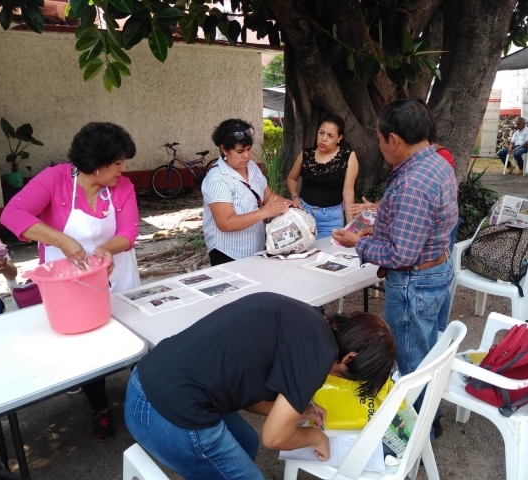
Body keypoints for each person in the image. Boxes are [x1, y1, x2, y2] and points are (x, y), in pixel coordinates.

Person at [125, 292, 396, 480]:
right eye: (345, 376)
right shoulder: (321, 353)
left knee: (246, 441)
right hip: (169, 415)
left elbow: (242, 388)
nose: (334, 378)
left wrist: (297, 412)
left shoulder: (305, 315)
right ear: (350, 357)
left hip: (145, 381)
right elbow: (275, 438)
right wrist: (316, 436)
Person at [1, 122, 141, 442]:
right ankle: (100, 408)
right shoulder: (56, 179)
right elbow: (14, 213)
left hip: (115, 271)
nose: (123, 168)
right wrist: (62, 240)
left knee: (132, 334)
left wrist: (106, 249)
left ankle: (147, 398)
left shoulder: (122, 187)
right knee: (87, 342)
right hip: (69, 280)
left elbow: (129, 233)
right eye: (118, 162)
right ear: (96, 164)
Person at [332, 100, 458, 435]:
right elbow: (423, 226)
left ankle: (419, 436)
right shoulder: (436, 162)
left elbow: (401, 255)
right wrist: (383, 226)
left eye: (379, 139)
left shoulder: (411, 183)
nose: (380, 146)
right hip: (434, 270)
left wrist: (356, 242)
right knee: (425, 352)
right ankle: (432, 416)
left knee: (409, 362)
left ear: (395, 140)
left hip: (413, 282)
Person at [202, 119, 291, 266]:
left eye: (249, 149)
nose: (247, 156)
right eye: (240, 151)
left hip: (254, 249)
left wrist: (289, 204)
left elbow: (268, 196)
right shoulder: (217, 179)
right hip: (228, 253)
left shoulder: (251, 167)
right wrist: (264, 213)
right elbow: (225, 223)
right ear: (224, 149)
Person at [287, 115, 359, 239]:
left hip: (330, 219)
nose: (323, 139)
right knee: (300, 256)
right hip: (304, 213)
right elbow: (292, 178)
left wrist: (351, 227)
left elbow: (348, 194)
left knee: (328, 255)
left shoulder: (347, 157)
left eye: (330, 136)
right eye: (321, 133)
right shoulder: (306, 154)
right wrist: (295, 196)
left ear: (339, 138)